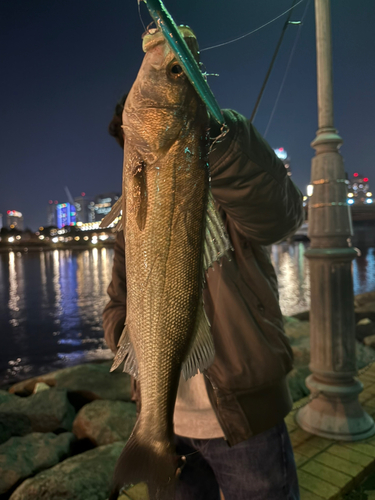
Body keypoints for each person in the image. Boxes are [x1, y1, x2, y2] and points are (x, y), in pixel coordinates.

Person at [103, 91, 303, 499]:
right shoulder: (130, 224)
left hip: (245, 420)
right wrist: (128, 339)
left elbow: (281, 215)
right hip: (165, 423)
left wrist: (225, 141)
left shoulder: (229, 197)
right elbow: (116, 303)